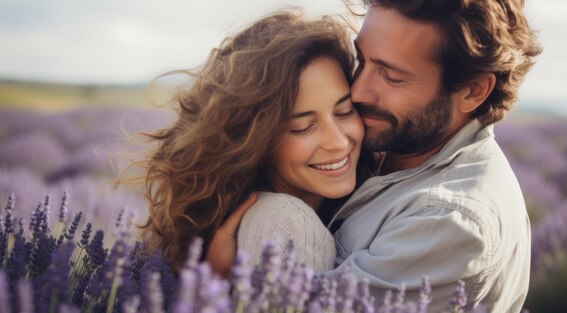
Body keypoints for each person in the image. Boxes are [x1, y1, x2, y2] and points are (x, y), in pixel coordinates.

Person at [209, 0, 541, 312]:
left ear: (472, 91)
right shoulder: (397, 146)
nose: (358, 91)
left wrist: (223, 285)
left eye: (392, 76)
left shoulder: (451, 222)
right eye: (362, 60)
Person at [129, 11, 370, 271]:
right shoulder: (288, 224)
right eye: (302, 127)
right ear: (256, 141)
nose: (338, 142)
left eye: (343, 111)